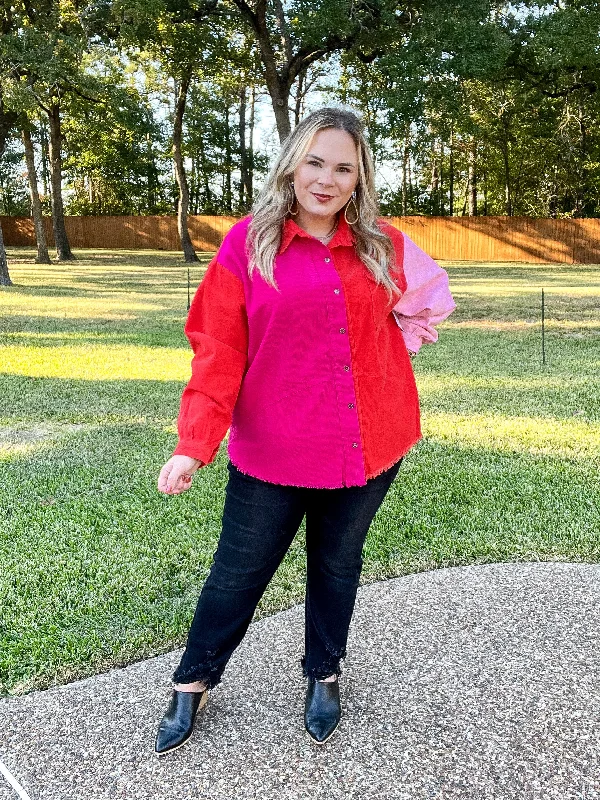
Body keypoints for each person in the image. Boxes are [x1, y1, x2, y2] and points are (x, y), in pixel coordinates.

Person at [154, 106, 456, 755]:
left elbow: (426, 298)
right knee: (237, 574)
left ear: (359, 177)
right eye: (316, 161)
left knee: (337, 565)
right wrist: (193, 444)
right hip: (273, 451)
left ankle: (324, 673)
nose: (327, 177)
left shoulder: (383, 244)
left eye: (343, 167)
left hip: (367, 445)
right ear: (292, 163)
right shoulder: (247, 244)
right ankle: (194, 681)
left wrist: (403, 333)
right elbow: (218, 349)